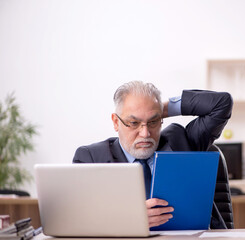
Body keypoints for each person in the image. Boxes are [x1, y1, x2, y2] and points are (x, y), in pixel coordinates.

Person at [73, 81, 233, 229]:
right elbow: (76, 217)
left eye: (153, 121)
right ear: (116, 122)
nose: (145, 133)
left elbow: (221, 104)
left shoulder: (181, 141)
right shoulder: (91, 158)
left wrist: (160, 109)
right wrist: (129, 219)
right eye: (134, 123)